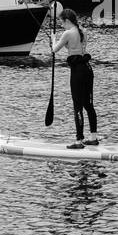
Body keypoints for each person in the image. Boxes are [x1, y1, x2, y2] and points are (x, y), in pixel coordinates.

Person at [51, 9, 98, 149]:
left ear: (67, 20)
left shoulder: (67, 33)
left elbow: (54, 49)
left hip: (77, 72)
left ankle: (79, 140)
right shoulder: (82, 31)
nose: (61, 25)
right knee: (88, 104)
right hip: (88, 69)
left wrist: (53, 38)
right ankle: (93, 138)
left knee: (77, 105)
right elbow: (75, 48)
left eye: (61, 22)